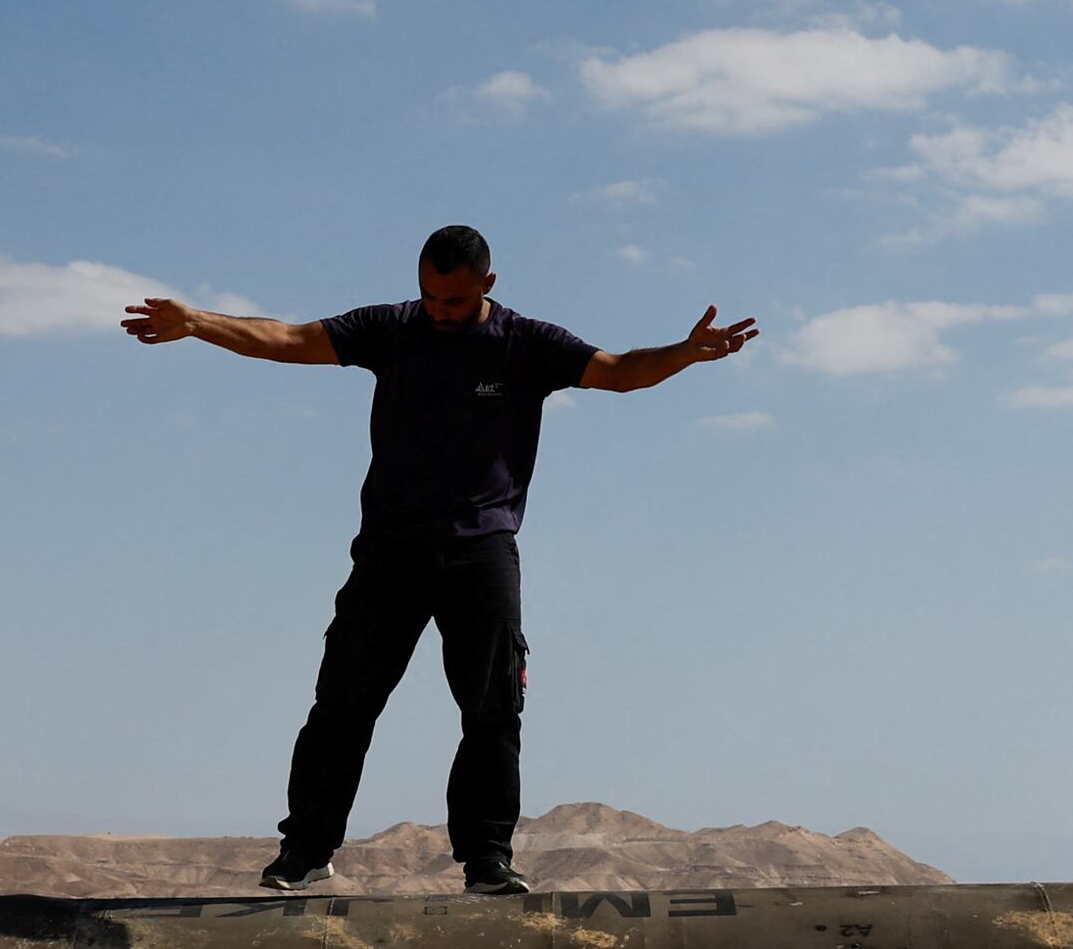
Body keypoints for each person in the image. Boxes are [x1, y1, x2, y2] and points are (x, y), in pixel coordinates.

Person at [122, 223, 757, 897]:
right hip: (390, 549)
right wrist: (195, 321)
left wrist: (685, 353)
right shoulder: (390, 329)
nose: (439, 310)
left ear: (487, 284)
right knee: (341, 701)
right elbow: (288, 338)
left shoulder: (526, 344)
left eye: (453, 300)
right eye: (428, 295)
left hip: (480, 550)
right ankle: (306, 848)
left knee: (491, 712)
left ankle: (487, 859)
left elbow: (621, 371)